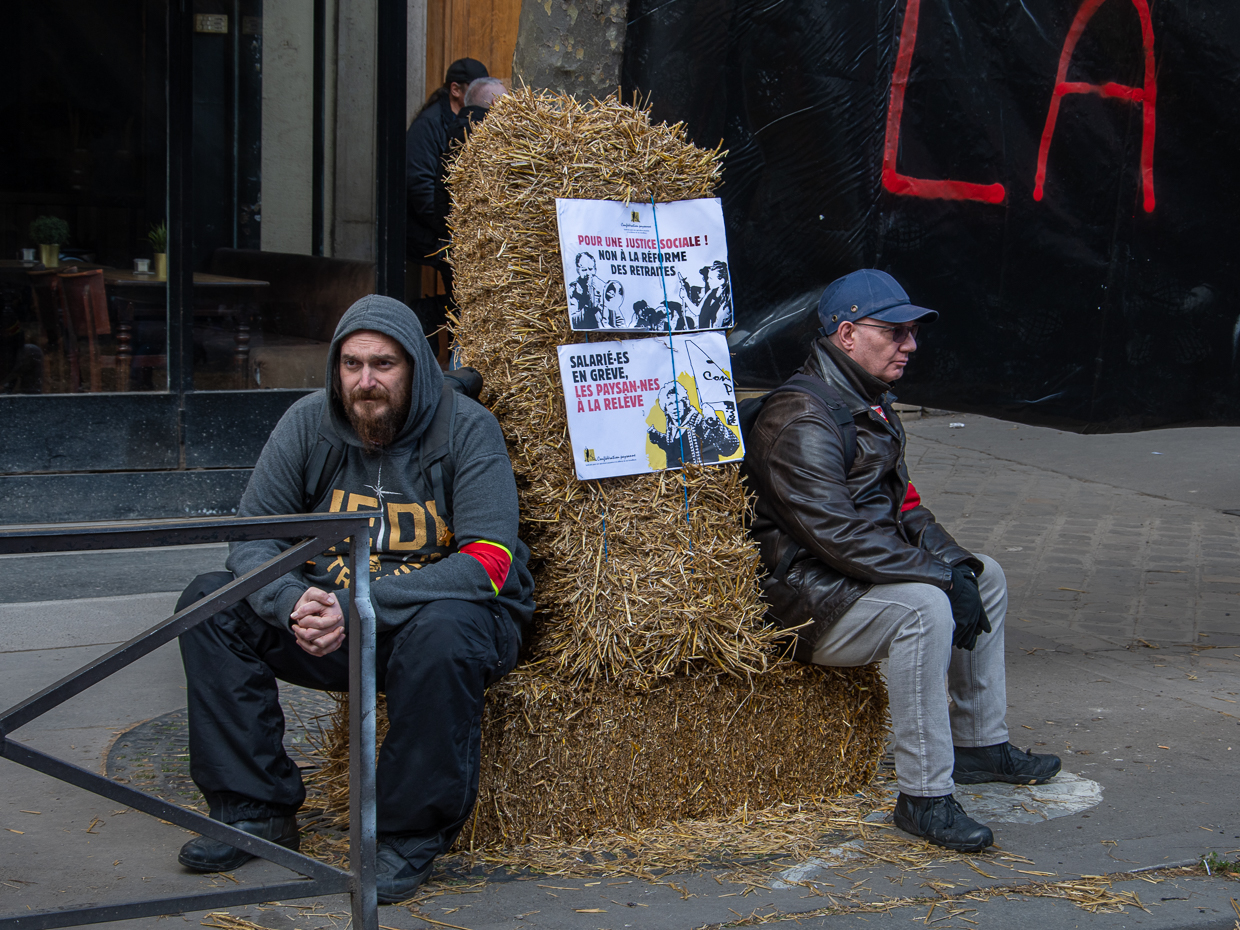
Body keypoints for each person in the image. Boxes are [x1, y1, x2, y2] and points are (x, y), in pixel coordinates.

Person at [174, 295, 535, 902]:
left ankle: (404, 837)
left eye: (384, 364)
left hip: (429, 622)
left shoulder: (467, 429)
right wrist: (292, 602)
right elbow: (253, 538)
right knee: (208, 601)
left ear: (416, 366)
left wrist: (358, 602)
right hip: (329, 620)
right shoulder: (308, 423)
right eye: (351, 364)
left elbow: (490, 561)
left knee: (446, 631)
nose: (365, 381)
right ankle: (254, 808)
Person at [744, 269, 1060, 853]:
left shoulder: (870, 403)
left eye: (912, 332)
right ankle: (924, 798)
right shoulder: (801, 418)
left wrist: (957, 566)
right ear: (846, 335)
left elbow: (906, 510)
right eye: (895, 332)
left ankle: (980, 745)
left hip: (852, 581)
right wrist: (937, 579)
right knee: (925, 609)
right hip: (808, 599)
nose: (910, 345)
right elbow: (836, 535)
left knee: (985, 575)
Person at [406, 58, 490, 286]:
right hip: (432, 235)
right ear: (455, 89)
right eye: (475, 90)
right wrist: (455, 231)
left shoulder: (471, 121)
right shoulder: (428, 125)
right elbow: (420, 189)